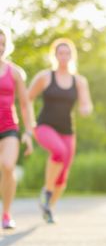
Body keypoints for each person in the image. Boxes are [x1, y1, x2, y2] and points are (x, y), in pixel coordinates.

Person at [28, 38, 93, 223]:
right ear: (55, 56)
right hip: (44, 126)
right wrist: (30, 123)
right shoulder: (45, 76)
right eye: (60, 53)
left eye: (67, 53)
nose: (64, 57)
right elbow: (28, 98)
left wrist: (86, 109)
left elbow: (86, 103)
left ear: (72, 56)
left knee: (63, 177)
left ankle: (48, 207)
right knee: (59, 151)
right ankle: (47, 192)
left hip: (67, 131)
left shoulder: (79, 81)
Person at [0, 27, 34, 229]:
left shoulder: (15, 72)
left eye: (3, 43)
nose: (0, 47)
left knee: (8, 166)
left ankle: (6, 213)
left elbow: (25, 103)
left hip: (9, 126)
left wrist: (29, 132)